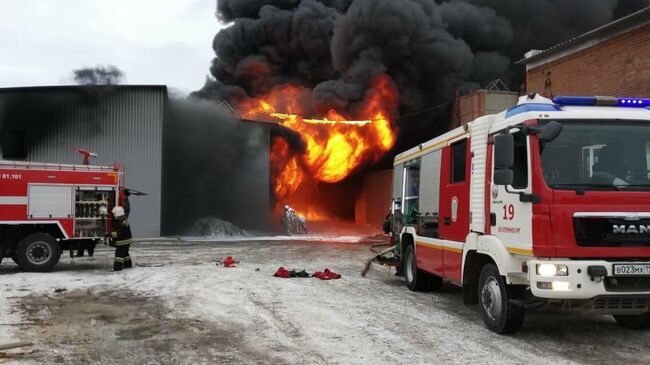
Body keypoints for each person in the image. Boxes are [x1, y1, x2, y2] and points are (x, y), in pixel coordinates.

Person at [110, 206, 133, 271]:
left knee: (119, 255)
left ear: (117, 213)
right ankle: (128, 264)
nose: (113, 215)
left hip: (122, 242)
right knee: (125, 253)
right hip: (127, 241)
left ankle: (117, 267)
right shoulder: (124, 220)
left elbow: (118, 233)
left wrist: (110, 234)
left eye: (114, 213)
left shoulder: (120, 222)